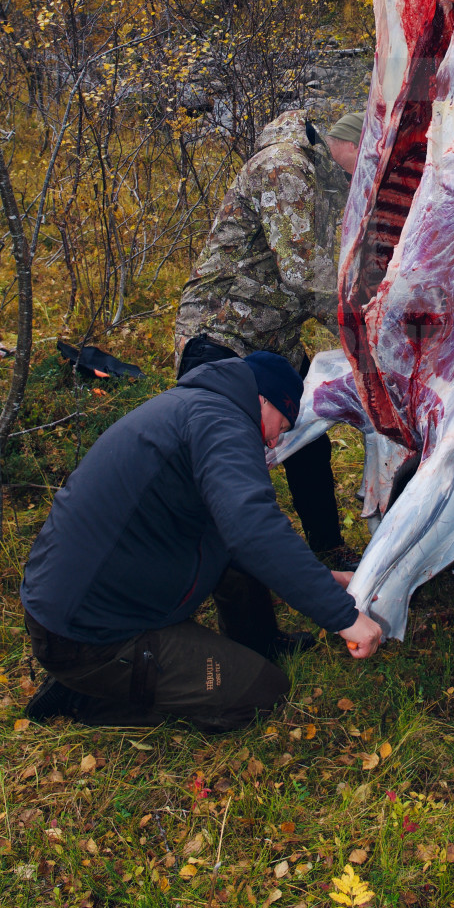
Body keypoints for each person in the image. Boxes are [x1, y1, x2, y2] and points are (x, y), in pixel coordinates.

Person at [21, 350, 382, 731]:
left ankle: (258, 644)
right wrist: (343, 617)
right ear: (264, 399)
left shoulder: (197, 406)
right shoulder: (221, 424)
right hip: (89, 635)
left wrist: (326, 580)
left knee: (228, 544)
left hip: (78, 603)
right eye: (283, 424)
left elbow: (235, 533)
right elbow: (254, 528)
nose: (276, 440)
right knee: (260, 694)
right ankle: (87, 697)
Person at [174, 109, 367, 568]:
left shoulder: (319, 177)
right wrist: (365, 318)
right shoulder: (284, 166)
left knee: (308, 440)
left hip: (271, 338)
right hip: (222, 332)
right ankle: (210, 563)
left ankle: (328, 551)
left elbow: (314, 273)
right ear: (354, 145)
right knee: (225, 457)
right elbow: (303, 272)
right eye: (370, 157)